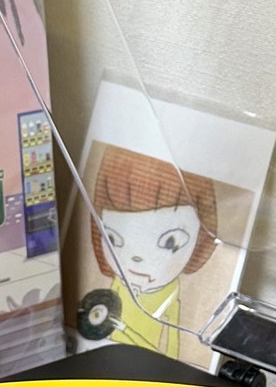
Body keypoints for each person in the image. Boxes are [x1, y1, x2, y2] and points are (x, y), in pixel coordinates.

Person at [84, 146, 219, 361]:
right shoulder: (119, 283)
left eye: (169, 242)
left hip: (144, 366)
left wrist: (172, 371)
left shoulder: (171, 293)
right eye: (113, 238)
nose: (136, 258)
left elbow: (172, 345)